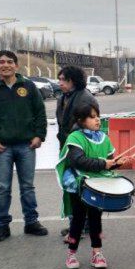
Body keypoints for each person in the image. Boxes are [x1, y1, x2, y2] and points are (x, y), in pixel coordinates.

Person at [0, 50, 48, 243]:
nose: (5, 65)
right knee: (3, 188)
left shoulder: (28, 86)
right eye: (1, 62)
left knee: (27, 186)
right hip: (2, 148)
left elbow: (40, 112)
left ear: (16, 66)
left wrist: (39, 135)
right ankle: (2, 226)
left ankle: (31, 222)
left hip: (27, 146)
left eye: (9, 62)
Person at [56, 103, 131, 269]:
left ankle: (97, 253)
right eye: (92, 117)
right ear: (81, 120)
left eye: (97, 116)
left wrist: (117, 163)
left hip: (99, 184)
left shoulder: (104, 138)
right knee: (78, 219)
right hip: (79, 183)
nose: (97, 119)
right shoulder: (75, 137)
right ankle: (71, 253)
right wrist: (105, 164)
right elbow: (78, 161)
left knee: (96, 219)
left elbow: (108, 163)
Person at [55, 65, 99, 239]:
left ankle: (79, 226)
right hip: (68, 146)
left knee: (79, 186)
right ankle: (78, 223)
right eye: (59, 79)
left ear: (72, 81)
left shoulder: (85, 98)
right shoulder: (63, 97)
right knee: (72, 187)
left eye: (63, 80)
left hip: (80, 147)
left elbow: (88, 124)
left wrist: (73, 139)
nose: (59, 83)